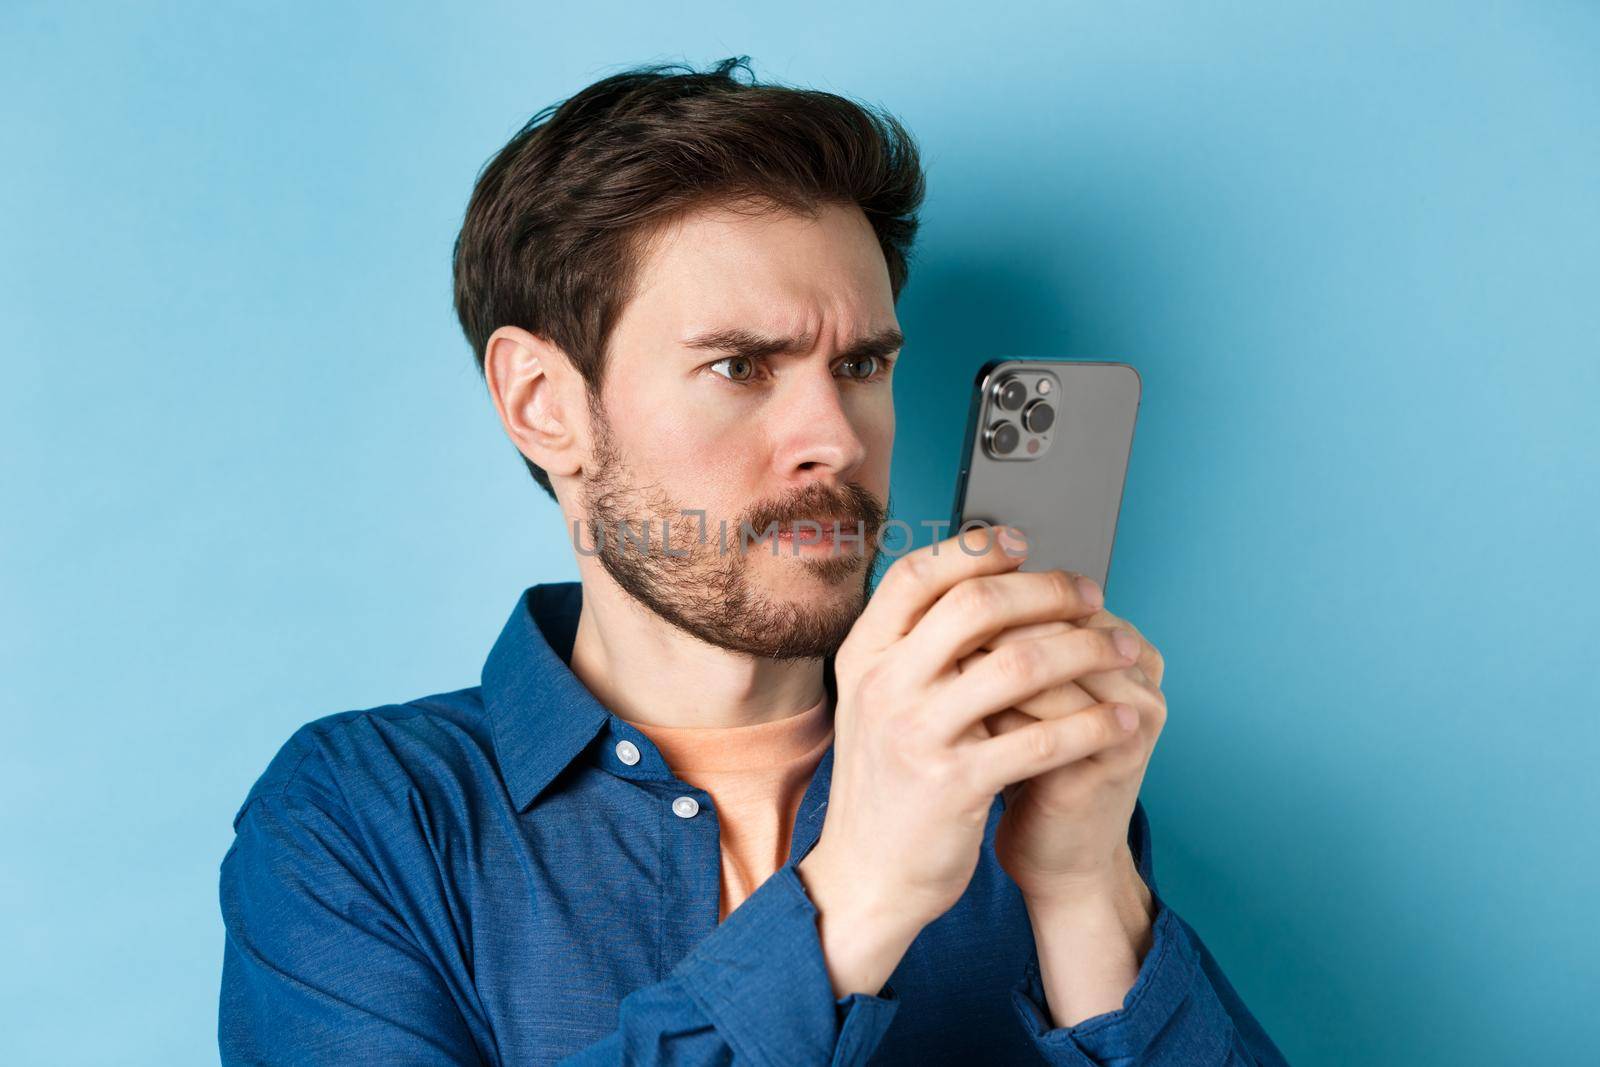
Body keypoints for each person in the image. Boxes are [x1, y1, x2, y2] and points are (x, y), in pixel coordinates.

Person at [218, 56, 1289, 1065]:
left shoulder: (1019, 773)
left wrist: (1082, 887)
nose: (835, 436)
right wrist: (852, 899)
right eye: (740, 366)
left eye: (862, 364)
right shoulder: (362, 817)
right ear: (544, 405)